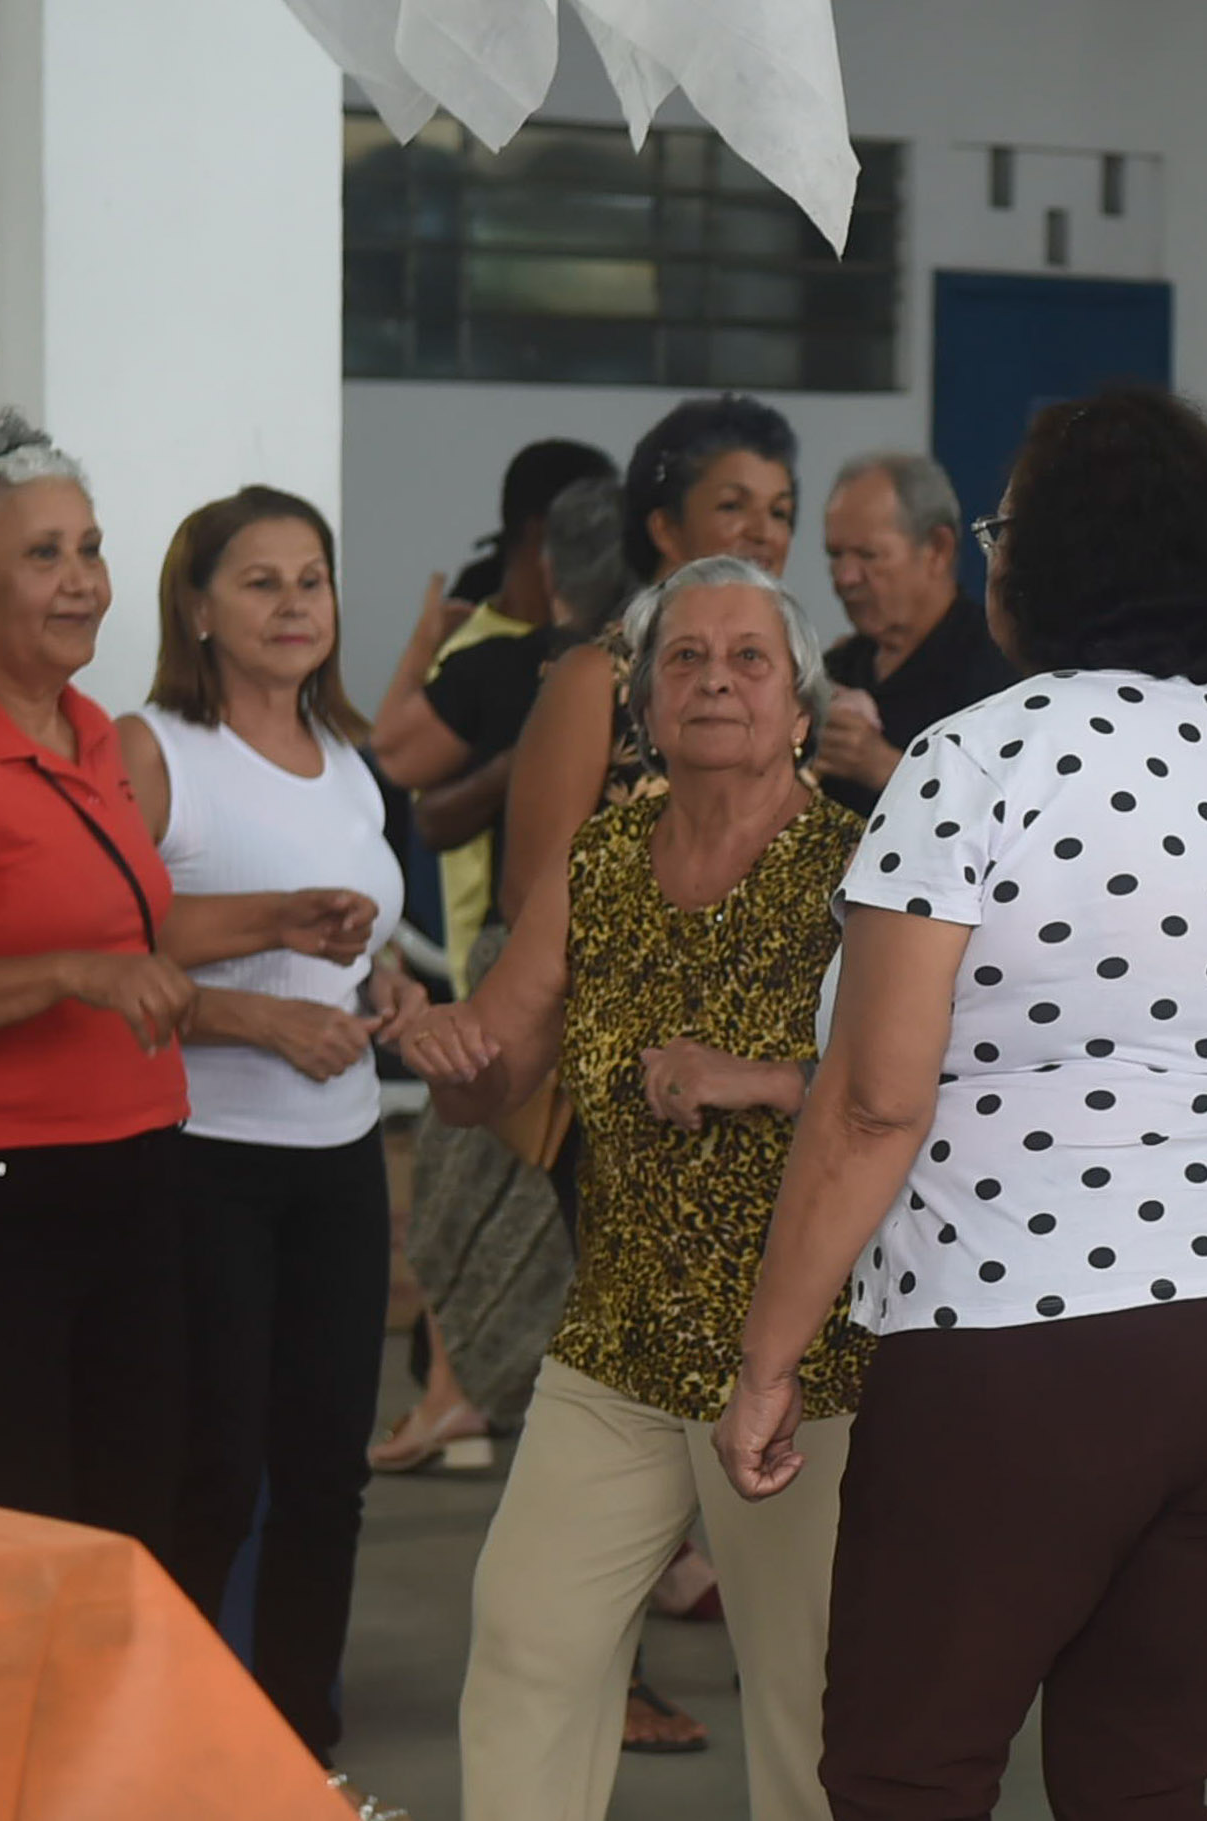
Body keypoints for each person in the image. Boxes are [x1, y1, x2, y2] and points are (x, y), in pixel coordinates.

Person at [715, 386, 1207, 1819]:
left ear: (1044, 557)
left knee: (908, 1771)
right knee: (1142, 1779)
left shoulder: (969, 765)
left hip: (1023, 1343)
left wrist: (769, 1356)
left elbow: (872, 1104)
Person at [0, 412, 373, 1570]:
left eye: (90, 549)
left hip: (133, 1167)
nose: (82, 581)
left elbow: (128, 930)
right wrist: (69, 978)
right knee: (29, 1535)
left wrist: (276, 918)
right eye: (44, 555)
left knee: (134, 1528)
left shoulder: (85, 734)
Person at [394, 556, 868, 1821]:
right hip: (618, 1345)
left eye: (749, 658)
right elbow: (498, 1070)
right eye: (685, 659)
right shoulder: (598, 863)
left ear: (801, 707)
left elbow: (925, 1092)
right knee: (527, 1643)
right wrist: (452, 1061)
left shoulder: (864, 869)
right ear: (647, 708)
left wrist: (756, 1079)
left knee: (809, 1698)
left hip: (805, 1359)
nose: (715, 680)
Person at [118, 485, 422, 1760]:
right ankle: (166, 1748)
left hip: (338, 1160)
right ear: (197, 607)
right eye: (261, 581)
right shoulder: (152, 752)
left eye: (313, 579)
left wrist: (389, 985)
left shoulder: (349, 759)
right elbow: (100, 953)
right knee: (212, 1470)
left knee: (325, 1471)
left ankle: (299, 1741)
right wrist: (259, 1024)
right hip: (203, 1157)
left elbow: (356, 940)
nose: (296, 604)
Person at [379, 475, 634, 1473]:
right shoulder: (532, 667)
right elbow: (417, 788)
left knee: (525, 1224)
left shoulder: (523, 662)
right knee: (492, 1203)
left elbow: (406, 771)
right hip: (513, 967)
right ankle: (463, 1396)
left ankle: (469, 1400)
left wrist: (423, 639)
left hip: (525, 964)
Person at [499, 395, 799, 929]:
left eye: (780, 512)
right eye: (733, 507)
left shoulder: (790, 677)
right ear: (665, 529)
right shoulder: (594, 677)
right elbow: (531, 895)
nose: (764, 532)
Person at [370, 439, 616, 992]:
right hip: (489, 941)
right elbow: (402, 771)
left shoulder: (604, 653)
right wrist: (425, 637)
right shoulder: (482, 651)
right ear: (544, 533)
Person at [814, 450, 1016, 816]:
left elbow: (1010, 814)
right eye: (835, 555)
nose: (845, 577)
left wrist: (884, 767)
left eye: (867, 555)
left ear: (938, 549)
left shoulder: (997, 673)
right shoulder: (836, 669)